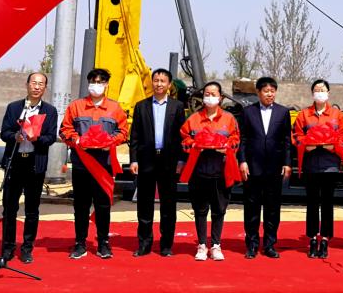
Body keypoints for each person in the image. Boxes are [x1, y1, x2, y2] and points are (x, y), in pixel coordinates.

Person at [60, 68, 128, 260]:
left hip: (104, 165)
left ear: (106, 85)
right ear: (88, 83)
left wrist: (111, 142)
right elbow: (64, 130)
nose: (96, 85)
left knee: (103, 205)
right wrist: (77, 140)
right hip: (81, 164)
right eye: (93, 81)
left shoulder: (115, 108)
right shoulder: (76, 106)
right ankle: (80, 243)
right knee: (80, 206)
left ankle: (103, 243)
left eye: (100, 82)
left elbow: (123, 132)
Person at [0, 72, 58, 264]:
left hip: (34, 163)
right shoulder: (14, 107)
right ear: (27, 85)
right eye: (34, 83)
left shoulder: (50, 111)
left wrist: (37, 138)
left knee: (32, 209)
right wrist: (14, 136)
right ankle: (7, 248)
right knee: (9, 208)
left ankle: (26, 248)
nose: (37, 87)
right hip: (15, 163)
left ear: (45, 88)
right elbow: (4, 132)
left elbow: (51, 138)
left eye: (41, 84)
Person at [180, 81, 240, 261]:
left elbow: (236, 140)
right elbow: (184, 140)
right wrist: (194, 145)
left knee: (219, 210)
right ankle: (201, 245)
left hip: (221, 171)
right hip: (199, 172)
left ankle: (216, 245)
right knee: (200, 209)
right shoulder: (193, 119)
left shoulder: (229, 119)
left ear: (220, 97)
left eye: (214, 94)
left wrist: (227, 147)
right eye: (207, 94)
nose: (210, 97)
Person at [129, 68, 186, 257]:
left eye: (163, 81)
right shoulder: (141, 106)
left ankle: (166, 245)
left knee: (168, 204)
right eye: (156, 80)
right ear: (151, 82)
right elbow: (135, 136)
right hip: (146, 159)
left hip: (169, 161)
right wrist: (133, 159)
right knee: (144, 203)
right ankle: (144, 243)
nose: (159, 84)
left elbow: (182, 136)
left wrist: (181, 159)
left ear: (169, 85)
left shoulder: (177, 107)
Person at [292, 79, 343, 259]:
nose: (320, 93)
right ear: (312, 93)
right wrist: (304, 145)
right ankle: (312, 238)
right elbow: (296, 135)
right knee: (312, 203)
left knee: (327, 203)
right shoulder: (304, 114)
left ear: (328, 93)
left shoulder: (336, 114)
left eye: (323, 90)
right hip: (310, 165)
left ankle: (324, 238)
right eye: (317, 90)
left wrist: (334, 145)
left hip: (330, 165)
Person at [238, 76, 292, 259]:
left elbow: (287, 141)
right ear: (258, 92)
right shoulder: (248, 112)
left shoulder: (283, 112)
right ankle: (252, 244)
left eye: (272, 91)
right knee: (252, 208)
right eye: (266, 91)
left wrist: (287, 163)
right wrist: (242, 161)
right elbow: (243, 139)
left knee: (272, 209)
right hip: (252, 167)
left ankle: (270, 244)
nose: (270, 94)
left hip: (274, 168)